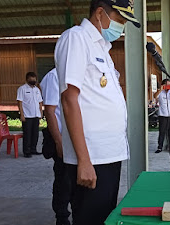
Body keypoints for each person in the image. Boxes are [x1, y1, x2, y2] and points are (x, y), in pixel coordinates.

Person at [54, 0, 140, 224]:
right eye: (120, 20)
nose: (121, 27)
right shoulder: (77, 38)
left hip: (109, 154)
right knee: (89, 219)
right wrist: (83, 160)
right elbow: (69, 99)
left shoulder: (102, 48)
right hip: (92, 157)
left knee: (103, 218)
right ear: (100, 12)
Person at [40, 68, 72, 225]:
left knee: (76, 179)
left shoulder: (78, 74)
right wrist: (59, 142)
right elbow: (50, 112)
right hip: (62, 137)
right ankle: (62, 216)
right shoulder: (54, 76)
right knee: (63, 179)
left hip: (78, 138)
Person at [17, 72, 43, 158]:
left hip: (36, 114)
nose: (33, 80)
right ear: (27, 79)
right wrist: (22, 114)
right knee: (27, 134)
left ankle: (33, 149)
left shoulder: (37, 90)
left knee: (35, 134)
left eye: (34, 79)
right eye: (31, 79)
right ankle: (26, 151)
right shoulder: (22, 89)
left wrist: (41, 113)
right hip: (27, 115)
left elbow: (40, 102)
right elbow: (20, 102)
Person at [154, 78, 170, 154]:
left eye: (169, 84)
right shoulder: (161, 93)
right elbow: (155, 96)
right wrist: (160, 89)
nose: (168, 86)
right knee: (162, 131)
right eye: (166, 84)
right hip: (162, 115)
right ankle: (160, 147)